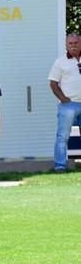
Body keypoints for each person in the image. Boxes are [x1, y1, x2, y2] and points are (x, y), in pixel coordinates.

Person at [48, 33, 81, 172]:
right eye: (70, 43)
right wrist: (63, 99)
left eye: (76, 43)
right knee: (62, 136)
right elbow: (53, 83)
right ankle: (60, 166)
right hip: (69, 105)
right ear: (66, 45)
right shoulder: (60, 61)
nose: (73, 45)